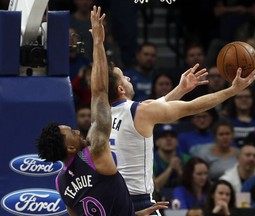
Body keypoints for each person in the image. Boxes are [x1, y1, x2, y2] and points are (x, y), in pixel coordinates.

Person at [36, 6, 168, 216]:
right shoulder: (94, 153)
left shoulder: (61, 183)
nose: (78, 131)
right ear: (70, 147)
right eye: (73, 132)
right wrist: (97, 43)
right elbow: (99, 93)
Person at [108, 49, 255, 215]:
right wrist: (232, 90)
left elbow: (157, 105)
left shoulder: (104, 114)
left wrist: (181, 90)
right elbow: (192, 107)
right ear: (121, 89)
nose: (129, 78)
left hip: (113, 200)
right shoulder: (140, 111)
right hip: (138, 201)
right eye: (124, 77)